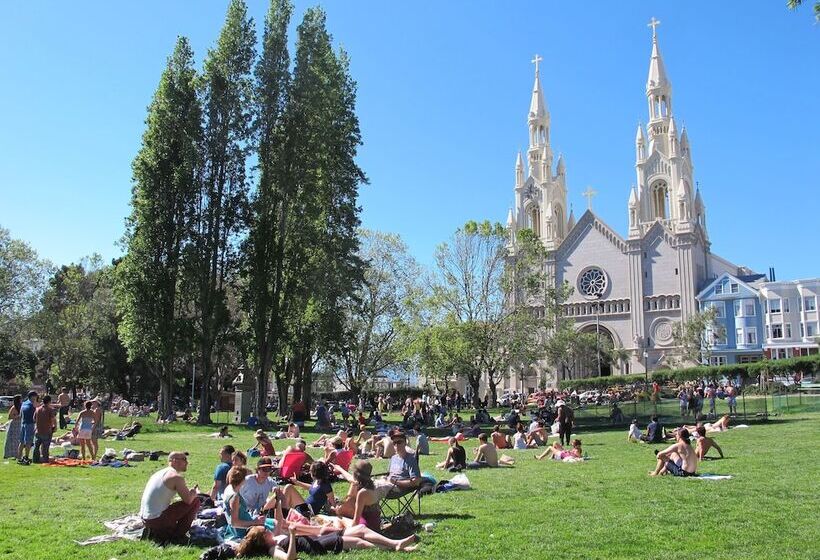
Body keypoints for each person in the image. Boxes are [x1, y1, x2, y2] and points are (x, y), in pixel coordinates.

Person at [140, 451, 200, 543]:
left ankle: (156, 531)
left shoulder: (159, 473)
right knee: (195, 501)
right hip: (156, 519)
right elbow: (188, 500)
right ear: (174, 461)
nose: (187, 462)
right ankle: (177, 535)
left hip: (145, 519)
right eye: (184, 459)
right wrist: (194, 492)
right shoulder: (176, 477)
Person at [331, 460, 382, 531]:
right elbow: (350, 478)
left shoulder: (362, 493)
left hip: (367, 527)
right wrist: (339, 468)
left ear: (355, 474)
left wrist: (347, 531)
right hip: (376, 523)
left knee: (338, 521)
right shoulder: (371, 485)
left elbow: (356, 521)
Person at [223, 466, 269, 539]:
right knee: (275, 525)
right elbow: (234, 523)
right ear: (243, 480)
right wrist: (255, 522)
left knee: (271, 522)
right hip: (244, 531)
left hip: (247, 523)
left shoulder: (229, 488)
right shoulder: (235, 497)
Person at [33, 394, 57, 463]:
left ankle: (35, 459)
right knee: (45, 447)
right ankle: (45, 460)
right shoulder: (50, 410)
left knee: (36, 447)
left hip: (38, 430)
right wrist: (55, 427)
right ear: (49, 401)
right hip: (47, 431)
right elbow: (53, 419)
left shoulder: (37, 409)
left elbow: (34, 419)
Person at [17, 391, 38, 465]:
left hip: (23, 423)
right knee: (28, 442)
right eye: (36, 396)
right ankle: (26, 457)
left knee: (22, 442)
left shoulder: (23, 403)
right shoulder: (32, 404)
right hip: (30, 424)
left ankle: (19, 457)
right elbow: (36, 415)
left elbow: (20, 415)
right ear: (33, 397)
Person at [3, 395, 22, 460]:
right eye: (20, 399)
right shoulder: (13, 407)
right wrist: (17, 416)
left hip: (19, 425)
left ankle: (17, 454)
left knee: (18, 440)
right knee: (12, 440)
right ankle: (9, 454)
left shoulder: (21, 406)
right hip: (14, 425)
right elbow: (9, 417)